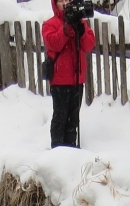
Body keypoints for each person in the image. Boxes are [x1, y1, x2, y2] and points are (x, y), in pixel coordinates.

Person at [42, 0, 95, 148]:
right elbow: (54, 42)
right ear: (55, 4)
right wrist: (67, 28)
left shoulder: (81, 22)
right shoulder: (50, 24)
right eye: (61, 1)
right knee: (60, 117)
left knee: (73, 119)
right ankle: (57, 150)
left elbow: (89, 45)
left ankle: (71, 151)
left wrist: (81, 30)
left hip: (77, 79)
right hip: (60, 80)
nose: (65, 3)